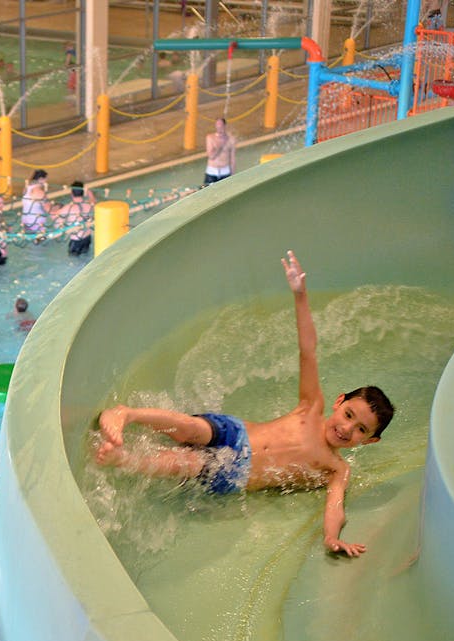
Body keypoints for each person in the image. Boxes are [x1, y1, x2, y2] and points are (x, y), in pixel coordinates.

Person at [94, 251, 395, 557]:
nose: (346, 428)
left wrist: (332, 538)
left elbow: (336, 507)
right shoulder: (311, 407)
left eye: (360, 429)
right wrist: (300, 296)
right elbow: (308, 350)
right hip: (235, 433)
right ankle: (125, 413)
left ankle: (126, 458)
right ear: (338, 401)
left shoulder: (336, 470)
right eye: (348, 415)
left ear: (370, 440)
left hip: (236, 473)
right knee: (189, 427)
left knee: (187, 463)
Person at [57, 181, 95, 256]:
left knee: (74, 260)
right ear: (83, 193)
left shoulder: (67, 208)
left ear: (71, 193)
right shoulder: (90, 205)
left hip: (76, 241)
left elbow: (57, 222)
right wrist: (88, 192)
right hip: (87, 238)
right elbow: (93, 199)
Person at [204, 117, 237, 186]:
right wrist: (220, 145)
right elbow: (211, 156)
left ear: (225, 126)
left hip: (225, 171)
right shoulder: (210, 138)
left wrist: (233, 174)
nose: (219, 127)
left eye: (220, 124)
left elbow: (232, 158)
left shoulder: (231, 139)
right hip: (212, 171)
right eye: (217, 124)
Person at [20, 169, 49, 235]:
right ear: (41, 179)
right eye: (45, 180)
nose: (46, 182)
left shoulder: (26, 188)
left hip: (25, 222)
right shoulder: (40, 192)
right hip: (36, 223)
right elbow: (48, 209)